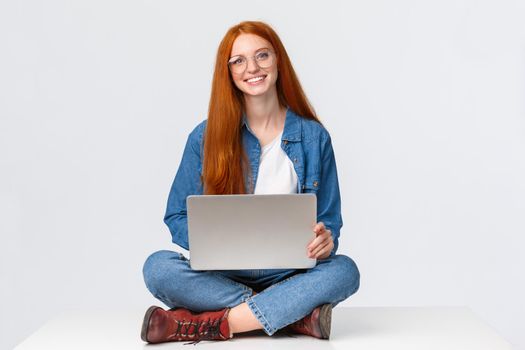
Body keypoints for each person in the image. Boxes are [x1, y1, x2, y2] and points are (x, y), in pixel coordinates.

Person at [141, 20, 360, 344]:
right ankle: (292, 315)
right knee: (157, 268)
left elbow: (329, 222)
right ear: (227, 72)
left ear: (278, 61)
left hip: (290, 274)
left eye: (262, 56)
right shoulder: (204, 137)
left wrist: (325, 241)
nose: (252, 68)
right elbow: (176, 215)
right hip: (220, 274)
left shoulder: (314, 137)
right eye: (239, 60)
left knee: (345, 271)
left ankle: (216, 323)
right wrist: (211, 238)